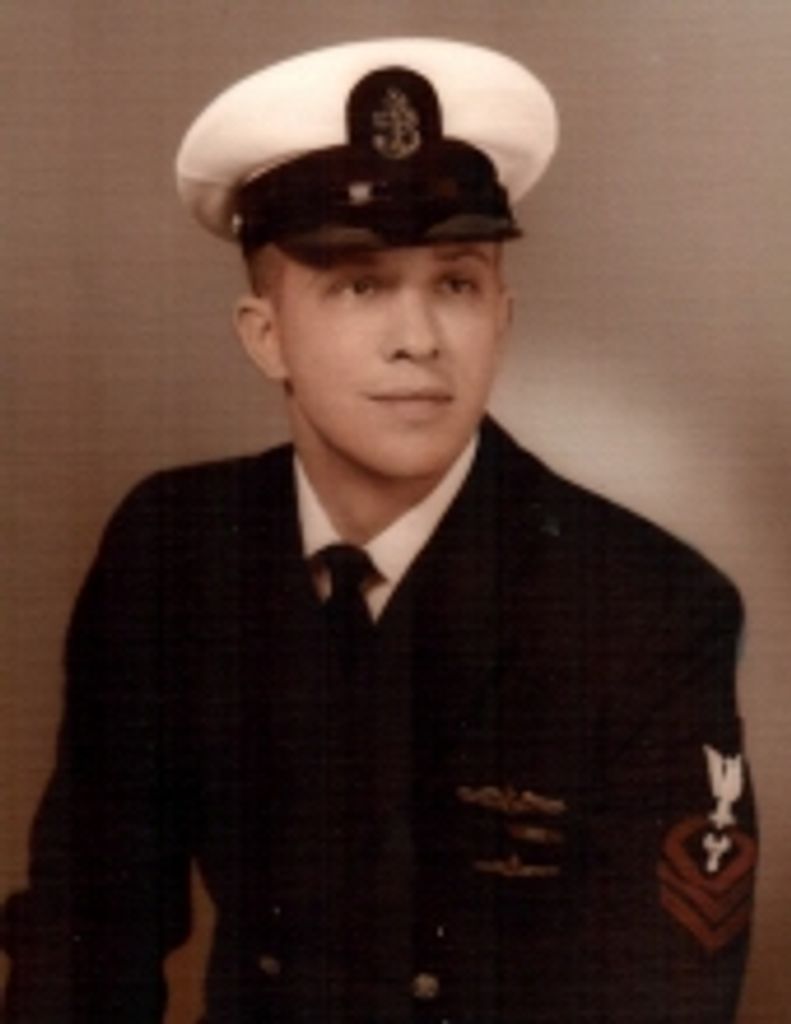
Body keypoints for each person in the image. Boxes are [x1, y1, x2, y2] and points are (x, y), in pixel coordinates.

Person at [2, 37, 757, 1023]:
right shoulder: (175, 551)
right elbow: (85, 934)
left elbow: (659, 996)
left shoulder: (645, 607)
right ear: (265, 334)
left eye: (455, 284)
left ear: (501, 317)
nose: (418, 339)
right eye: (358, 284)